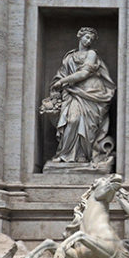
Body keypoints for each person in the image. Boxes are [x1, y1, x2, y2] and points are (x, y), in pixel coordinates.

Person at [46, 27, 115, 163]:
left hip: (91, 93)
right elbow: (62, 73)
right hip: (72, 93)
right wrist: (58, 84)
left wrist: (62, 81)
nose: (88, 41)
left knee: (88, 125)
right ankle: (64, 154)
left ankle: (83, 155)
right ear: (80, 36)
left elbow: (84, 73)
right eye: (86, 37)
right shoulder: (69, 57)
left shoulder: (91, 54)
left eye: (91, 39)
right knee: (72, 121)